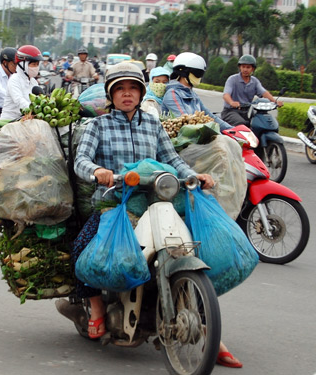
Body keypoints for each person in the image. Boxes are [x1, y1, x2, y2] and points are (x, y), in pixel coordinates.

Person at [69, 61, 214, 338]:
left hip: (154, 201)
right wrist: (99, 171)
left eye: (133, 88)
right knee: (79, 249)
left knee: (192, 247)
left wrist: (195, 176)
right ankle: (97, 309)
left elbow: (171, 159)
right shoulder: (98, 126)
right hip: (114, 203)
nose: (127, 94)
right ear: (111, 95)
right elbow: (82, 161)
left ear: (141, 92)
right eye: (120, 89)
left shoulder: (152, 124)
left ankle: (207, 323)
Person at [161, 52, 231, 131]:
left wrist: (233, 130)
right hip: (181, 140)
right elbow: (185, 120)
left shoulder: (193, 95)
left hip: (197, 137)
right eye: (197, 73)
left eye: (201, 74)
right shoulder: (172, 94)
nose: (199, 77)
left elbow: (210, 116)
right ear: (182, 71)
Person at [221, 54, 283, 127]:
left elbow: (264, 92)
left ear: (252, 69)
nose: (245, 69)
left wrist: (274, 101)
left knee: (259, 123)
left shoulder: (254, 81)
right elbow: (226, 95)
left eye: (248, 67)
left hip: (247, 111)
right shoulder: (232, 79)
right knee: (242, 124)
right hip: (230, 111)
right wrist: (232, 102)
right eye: (243, 67)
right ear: (240, 67)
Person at [0, 45, 42, 120]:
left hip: (27, 120)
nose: (36, 67)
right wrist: (35, 110)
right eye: (33, 64)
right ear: (23, 64)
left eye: (37, 65)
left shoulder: (33, 82)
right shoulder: (14, 79)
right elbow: (19, 101)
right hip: (11, 122)